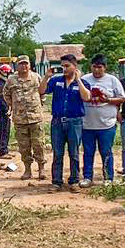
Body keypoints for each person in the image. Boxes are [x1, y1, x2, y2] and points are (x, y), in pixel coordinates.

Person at [77, 54, 124, 184]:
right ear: (90, 66)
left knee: (106, 152)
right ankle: (87, 177)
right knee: (88, 152)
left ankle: (108, 178)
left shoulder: (112, 80)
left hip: (107, 125)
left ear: (105, 67)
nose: (97, 70)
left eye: (100, 67)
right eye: (94, 67)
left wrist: (107, 99)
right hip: (87, 125)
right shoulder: (84, 79)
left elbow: (122, 98)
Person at [43, 53, 84, 191]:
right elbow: (41, 91)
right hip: (57, 122)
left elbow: (87, 97)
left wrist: (78, 81)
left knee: (74, 153)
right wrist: (46, 77)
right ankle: (56, 182)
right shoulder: (56, 81)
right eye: (62, 66)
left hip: (75, 122)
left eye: (67, 66)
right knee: (58, 153)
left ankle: (74, 181)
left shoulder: (82, 82)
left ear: (75, 66)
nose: (64, 69)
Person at [5, 58, 47, 180]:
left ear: (29, 65)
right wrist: (14, 105)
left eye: (26, 63)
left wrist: (40, 104)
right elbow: (6, 94)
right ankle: (27, 170)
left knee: (39, 144)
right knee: (24, 146)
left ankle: (41, 169)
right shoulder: (11, 79)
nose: (24, 66)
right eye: (21, 64)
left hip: (35, 118)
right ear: (17, 66)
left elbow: (42, 92)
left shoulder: (36, 77)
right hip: (20, 119)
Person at [0, 62, 14, 158]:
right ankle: (2, 152)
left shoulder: (5, 83)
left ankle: (5, 149)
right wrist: (6, 110)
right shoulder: (0, 84)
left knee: (6, 130)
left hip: (6, 111)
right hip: (3, 112)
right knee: (3, 131)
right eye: (8, 73)